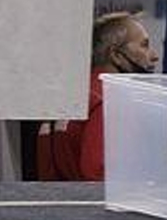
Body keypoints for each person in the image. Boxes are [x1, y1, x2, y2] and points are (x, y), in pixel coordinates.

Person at [37, 10, 158, 181]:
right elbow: (98, 176)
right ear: (116, 55)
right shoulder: (111, 101)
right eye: (144, 45)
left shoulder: (69, 96)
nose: (154, 56)